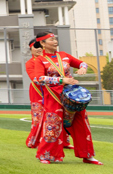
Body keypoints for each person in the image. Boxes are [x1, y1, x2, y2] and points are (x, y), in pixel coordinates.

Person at [30, 31, 102, 165]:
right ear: (42, 43)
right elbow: (39, 78)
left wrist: (83, 68)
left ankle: (87, 155)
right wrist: (62, 80)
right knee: (53, 125)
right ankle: (46, 155)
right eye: (51, 40)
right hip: (53, 95)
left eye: (55, 39)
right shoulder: (40, 60)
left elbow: (82, 63)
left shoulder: (64, 56)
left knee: (81, 123)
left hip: (70, 95)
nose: (55, 41)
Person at [25, 38, 45, 148]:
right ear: (31, 48)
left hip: (53, 91)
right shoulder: (30, 63)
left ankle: (61, 141)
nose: (39, 49)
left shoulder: (49, 60)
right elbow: (35, 78)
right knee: (38, 116)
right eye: (36, 47)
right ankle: (35, 140)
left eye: (40, 47)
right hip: (38, 91)